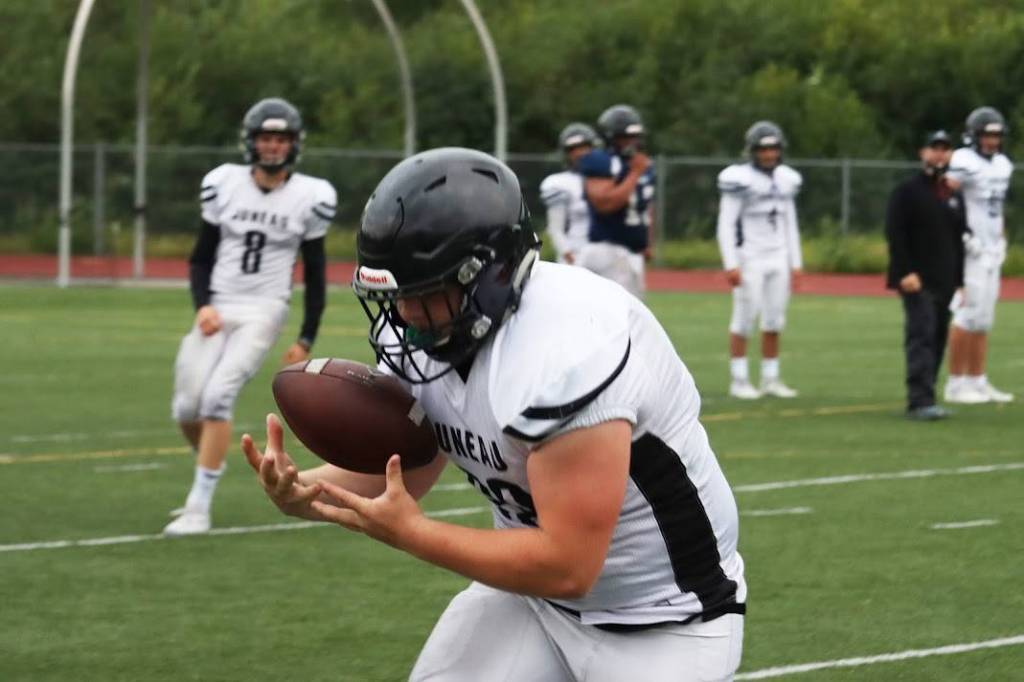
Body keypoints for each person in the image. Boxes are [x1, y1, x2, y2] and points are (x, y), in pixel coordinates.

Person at [242, 148, 746, 681]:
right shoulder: (424, 330)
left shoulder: (565, 350)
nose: (407, 317)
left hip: (665, 618)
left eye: (427, 293)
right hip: (532, 600)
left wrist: (413, 534)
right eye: (399, 295)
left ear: (491, 275)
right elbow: (407, 467)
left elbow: (569, 564)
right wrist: (308, 493)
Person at [164, 97, 337, 536]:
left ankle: (198, 506)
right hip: (219, 304)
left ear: (294, 144)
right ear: (251, 141)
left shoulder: (310, 196)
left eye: (281, 138)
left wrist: (306, 336)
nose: (273, 146)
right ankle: (209, 462)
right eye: (266, 137)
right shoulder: (223, 183)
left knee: (217, 397)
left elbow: (315, 274)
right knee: (187, 405)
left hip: (264, 308)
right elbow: (201, 257)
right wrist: (202, 303)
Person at [716, 121, 803, 400]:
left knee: (775, 320)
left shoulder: (786, 179)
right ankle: (739, 380)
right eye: (764, 149)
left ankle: (770, 378)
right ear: (753, 151)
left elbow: (790, 222)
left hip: (778, 256)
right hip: (749, 256)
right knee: (744, 318)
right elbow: (725, 224)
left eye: (774, 149)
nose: (769, 155)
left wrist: (796, 261)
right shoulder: (740, 179)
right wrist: (730, 262)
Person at [885, 130, 967, 420]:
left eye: (945, 149)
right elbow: (895, 234)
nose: (939, 154)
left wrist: (960, 281)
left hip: (944, 279)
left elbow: (958, 240)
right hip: (916, 278)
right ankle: (918, 400)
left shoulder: (952, 193)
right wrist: (904, 271)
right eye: (934, 148)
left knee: (939, 335)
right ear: (923, 153)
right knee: (921, 335)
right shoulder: (907, 191)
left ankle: (928, 393)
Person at [944, 106, 1015, 404]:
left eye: (996, 136)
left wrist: (1001, 237)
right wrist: (960, 234)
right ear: (974, 136)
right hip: (969, 250)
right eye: (987, 135)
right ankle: (956, 383)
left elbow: (996, 209)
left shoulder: (1003, 165)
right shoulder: (962, 160)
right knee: (967, 315)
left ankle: (977, 380)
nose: (992, 142)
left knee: (984, 318)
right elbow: (945, 197)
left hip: (991, 249)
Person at [576, 104, 656, 299]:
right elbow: (604, 204)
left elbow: (647, 206)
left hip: (630, 253)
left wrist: (646, 240)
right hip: (607, 249)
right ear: (609, 138)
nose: (632, 143)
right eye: (625, 137)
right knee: (621, 319)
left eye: (635, 137)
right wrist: (634, 173)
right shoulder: (600, 160)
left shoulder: (643, 164)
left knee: (631, 318)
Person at [539, 122, 598, 264]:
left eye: (585, 147)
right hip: (576, 253)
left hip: (606, 253)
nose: (580, 153)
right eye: (574, 149)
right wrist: (567, 253)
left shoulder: (609, 178)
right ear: (566, 153)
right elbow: (555, 228)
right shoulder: (560, 183)